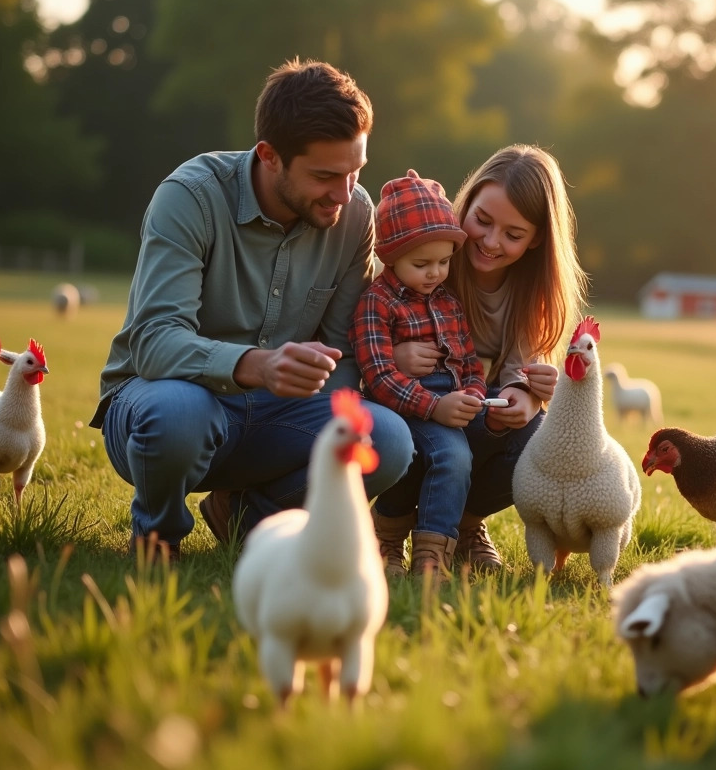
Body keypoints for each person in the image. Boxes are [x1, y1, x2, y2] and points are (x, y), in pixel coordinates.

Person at [91, 58, 414, 558]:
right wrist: (257, 366)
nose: (344, 193)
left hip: (277, 417)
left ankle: (251, 525)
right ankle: (157, 539)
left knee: (386, 441)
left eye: (355, 172)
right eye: (325, 175)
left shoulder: (355, 213)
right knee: (177, 414)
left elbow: (342, 356)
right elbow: (153, 343)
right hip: (164, 403)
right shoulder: (191, 197)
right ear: (269, 156)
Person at [369, 144, 589, 574]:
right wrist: (394, 355)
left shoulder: (532, 293)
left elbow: (521, 369)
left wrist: (524, 396)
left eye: (513, 234)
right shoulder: (429, 258)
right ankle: (390, 527)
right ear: (465, 203)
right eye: (482, 221)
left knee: (536, 438)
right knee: (427, 431)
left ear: (536, 239)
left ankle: (467, 525)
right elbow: (374, 323)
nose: (490, 242)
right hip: (414, 403)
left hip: (474, 410)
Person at [351, 171, 492, 576]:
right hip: (400, 406)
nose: (435, 273)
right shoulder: (375, 302)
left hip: (450, 403)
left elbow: (468, 361)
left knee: (474, 449)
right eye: (422, 263)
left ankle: (436, 547)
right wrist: (435, 407)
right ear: (390, 257)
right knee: (446, 455)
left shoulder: (447, 302)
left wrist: (475, 394)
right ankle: (409, 547)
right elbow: (377, 375)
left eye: (444, 262)